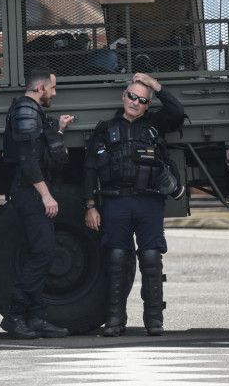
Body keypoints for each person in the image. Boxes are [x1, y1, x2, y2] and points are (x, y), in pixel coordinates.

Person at [84, 73, 185, 337]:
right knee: (117, 259)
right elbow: (89, 169)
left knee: (151, 258)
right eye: (132, 96)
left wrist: (154, 85)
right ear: (123, 96)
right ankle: (115, 320)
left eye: (142, 100)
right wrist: (90, 205)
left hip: (149, 201)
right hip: (116, 201)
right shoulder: (105, 129)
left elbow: (177, 111)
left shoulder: (155, 125)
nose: (135, 102)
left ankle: (154, 319)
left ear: (147, 104)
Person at [0, 67, 74, 339]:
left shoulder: (32, 114)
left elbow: (38, 142)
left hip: (31, 190)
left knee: (43, 251)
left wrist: (57, 128)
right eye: (52, 88)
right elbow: (27, 159)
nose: (54, 93)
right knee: (43, 252)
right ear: (40, 88)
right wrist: (45, 194)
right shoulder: (26, 112)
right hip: (29, 191)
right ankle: (16, 315)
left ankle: (36, 316)